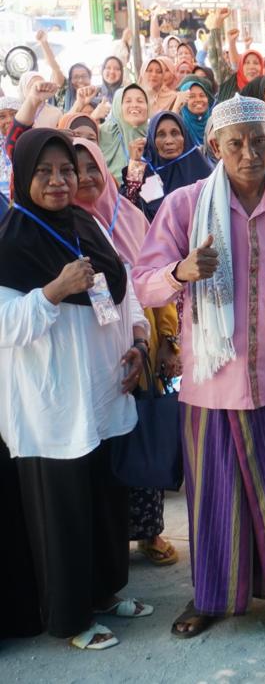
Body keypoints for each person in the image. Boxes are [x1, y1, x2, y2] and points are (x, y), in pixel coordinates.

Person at [135, 96, 265, 640]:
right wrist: (181, 271)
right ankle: (212, 597)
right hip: (210, 380)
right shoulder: (184, 206)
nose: (249, 153)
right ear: (215, 148)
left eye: (259, 140)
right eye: (236, 143)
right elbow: (143, 280)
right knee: (215, 499)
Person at [0, 129, 151, 650]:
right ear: (22, 177)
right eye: (44, 173)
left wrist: (137, 340)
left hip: (103, 390)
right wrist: (53, 291)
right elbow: (5, 325)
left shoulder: (84, 222)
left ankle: (105, 592)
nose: (60, 182)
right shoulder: (11, 238)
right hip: (52, 404)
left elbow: (121, 285)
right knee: (62, 514)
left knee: (103, 502)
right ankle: (70, 619)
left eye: (66, 171)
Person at [72, 136, 182, 568]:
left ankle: (150, 532)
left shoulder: (132, 218)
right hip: (92, 355)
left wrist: (168, 340)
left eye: (90, 168)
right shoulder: (57, 226)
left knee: (142, 435)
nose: (82, 178)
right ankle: (110, 535)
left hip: (142, 341)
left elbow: (159, 280)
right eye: (72, 168)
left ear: (104, 171)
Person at [128, 111, 213, 219]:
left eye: (175, 133)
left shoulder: (201, 170)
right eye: (161, 135)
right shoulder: (148, 174)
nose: (169, 141)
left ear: (184, 137)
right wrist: (134, 163)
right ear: (152, 140)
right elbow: (129, 205)